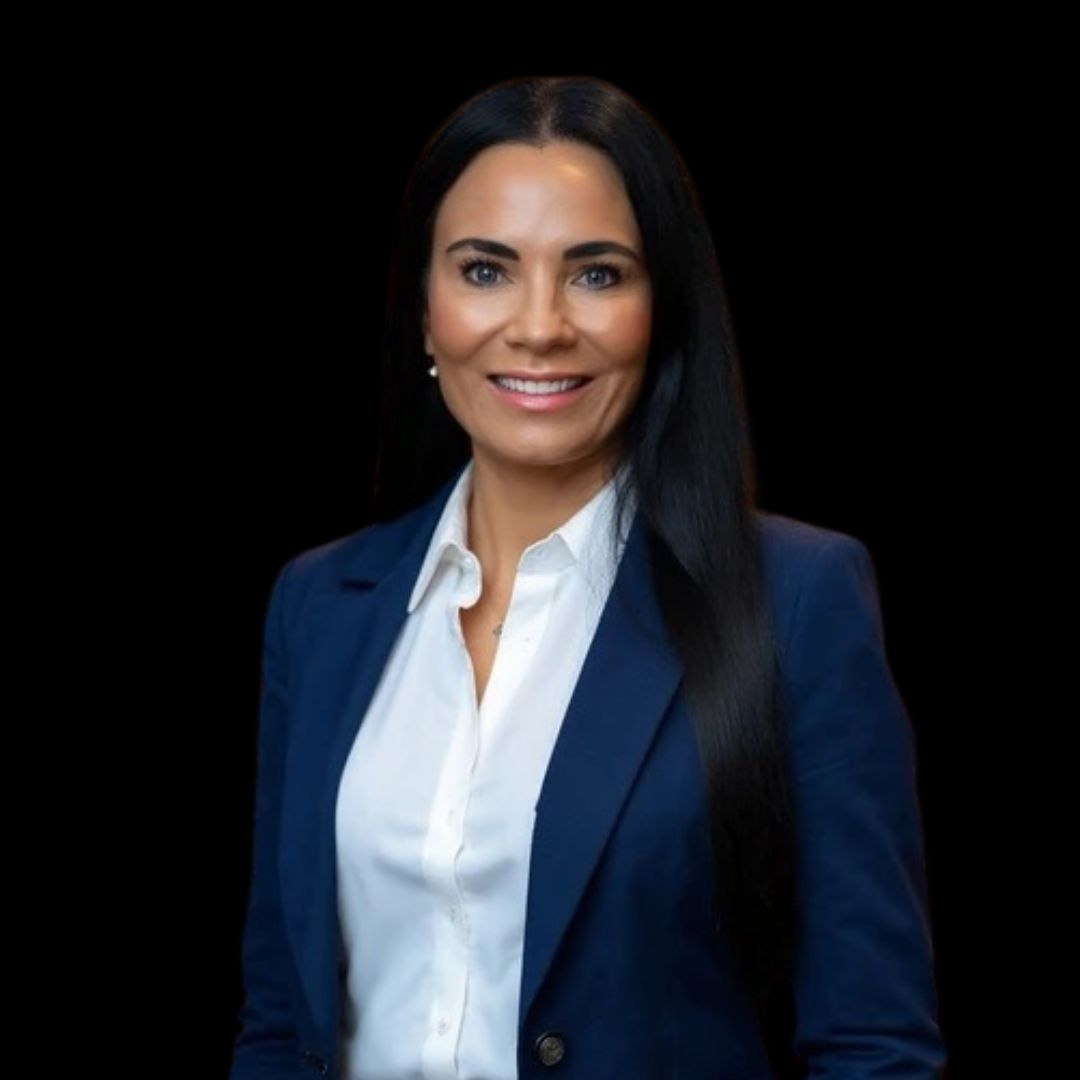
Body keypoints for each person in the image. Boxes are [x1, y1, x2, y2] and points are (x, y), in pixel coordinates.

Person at [230, 75, 947, 1080]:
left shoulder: (797, 599)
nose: (539, 326)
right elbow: (277, 1021)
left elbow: (873, 1045)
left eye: (596, 274)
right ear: (426, 313)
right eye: (485, 270)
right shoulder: (318, 606)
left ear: (662, 311)